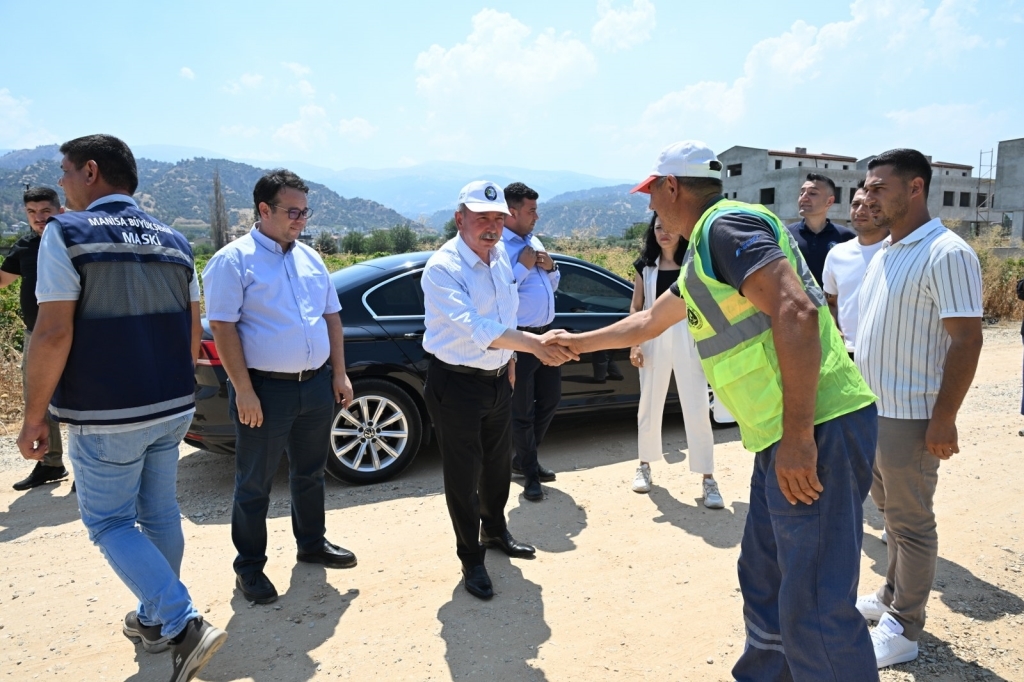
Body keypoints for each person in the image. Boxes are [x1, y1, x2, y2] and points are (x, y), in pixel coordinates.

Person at [547, 141, 880, 681]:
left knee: (814, 599)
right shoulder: (707, 252)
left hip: (814, 427)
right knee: (764, 574)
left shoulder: (726, 228)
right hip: (781, 432)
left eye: (652, 194)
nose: (651, 207)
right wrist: (573, 342)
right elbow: (648, 322)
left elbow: (794, 309)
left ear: (671, 187)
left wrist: (798, 437)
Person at [17, 134, 226, 682]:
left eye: (64, 172)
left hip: (108, 411)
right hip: (174, 401)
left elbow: (53, 331)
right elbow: (190, 330)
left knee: (110, 520)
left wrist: (34, 415)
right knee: (158, 514)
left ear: (90, 171)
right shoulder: (177, 241)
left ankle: (181, 621)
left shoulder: (67, 232)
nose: (60, 184)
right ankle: (156, 619)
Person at [854, 149, 983, 669]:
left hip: (910, 415)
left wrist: (944, 418)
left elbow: (967, 341)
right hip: (873, 409)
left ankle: (905, 626)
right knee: (889, 519)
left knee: (911, 523)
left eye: (880, 186)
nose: (869, 196)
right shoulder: (887, 251)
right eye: (868, 186)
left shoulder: (947, 252)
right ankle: (889, 597)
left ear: (915, 189)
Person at [202, 169, 357, 606]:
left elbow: (331, 318)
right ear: (263, 209)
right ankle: (249, 568)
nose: (301, 220)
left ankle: (312, 544)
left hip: (314, 387)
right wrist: (244, 390)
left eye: (305, 212)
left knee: (310, 473)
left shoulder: (310, 258)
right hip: (265, 391)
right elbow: (223, 327)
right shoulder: (234, 260)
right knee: (255, 483)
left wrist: (339, 373)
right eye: (293, 211)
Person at [421, 180, 576, 600]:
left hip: (495, 378)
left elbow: (504, 314)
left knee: (496, 465)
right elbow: (476, 327)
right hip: (455, 383)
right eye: (481, 217)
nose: (491, 226)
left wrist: (509, 360)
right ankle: (470, 557)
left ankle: (495, 532)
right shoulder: (443, 267)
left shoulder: (500, 260)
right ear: (460, 219)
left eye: (497, 218)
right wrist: (533, 346)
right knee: (463, 473)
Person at [628, 212, 723, 509]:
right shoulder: (645, 267)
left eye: (669, 227)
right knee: (649, 404)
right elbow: (637, 306)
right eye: (658, 228)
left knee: (696, 406)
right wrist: (635, 343)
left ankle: (708, 478)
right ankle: (644, 465)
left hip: (689, 335)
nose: (663, 233)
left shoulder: (693, 265)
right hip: (653, 335)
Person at [2, 187, 67, 490]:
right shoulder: (25, 245)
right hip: (34, 335)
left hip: (73, 334)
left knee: (88, 397)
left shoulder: (72, 239)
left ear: (59, 210)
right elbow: (3, 280)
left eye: (45, 211)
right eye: (32, 213)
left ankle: (89, 473)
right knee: (39, 400)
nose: (39, 218)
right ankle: (51, 465)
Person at [501, 181, 561, 502]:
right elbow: (500, 293)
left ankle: (523, 460)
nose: (536, 216)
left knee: (551, 399)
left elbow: (554, 283)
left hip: (547, 335)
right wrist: (523, 267)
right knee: (521, 410)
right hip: (520, 338)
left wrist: (551, 267)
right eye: (531, 210)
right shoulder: (500, 248)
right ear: (512, 212)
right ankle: (531, 475)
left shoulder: (533, 240)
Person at [820, 181, 889, 359]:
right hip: (846, 354)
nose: (859, 211)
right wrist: (835, 329)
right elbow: (830, 302)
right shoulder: (837, 254)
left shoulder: (900, 251)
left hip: (889, 356)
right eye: (856, 204)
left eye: (868, 205)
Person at [787, 173, 855, 285]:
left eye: (812, 193)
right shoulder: (786, 234)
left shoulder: (846, 238)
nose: (804, 197)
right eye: (801, 192)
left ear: (829, 201)